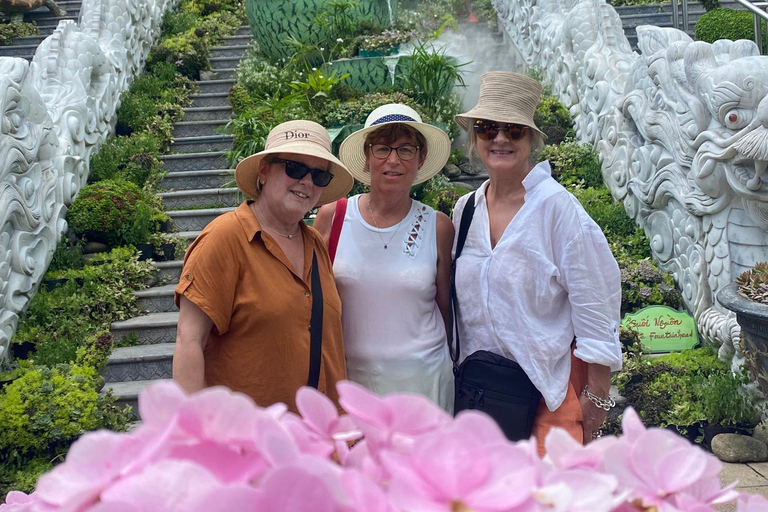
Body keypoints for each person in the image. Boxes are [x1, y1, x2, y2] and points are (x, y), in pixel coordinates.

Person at [451, 72, 622, 454]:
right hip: (484, 398)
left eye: (513, 130)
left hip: (550, 396)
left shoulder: (559, 211)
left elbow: (597, 306)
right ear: (474, 137)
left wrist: (597, 399)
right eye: (487, 128)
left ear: (531, 139)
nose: (499, 139)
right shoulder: (465, 211)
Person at [172, 120, 354, 412]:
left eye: (319, 175)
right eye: (295, 168)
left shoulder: (316, 244)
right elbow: (189, 341)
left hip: (318, 442)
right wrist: (198, 435)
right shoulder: (226, 238)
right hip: (248, 444)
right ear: (264, 170)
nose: (306, 181)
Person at [313, 104, 456, 412]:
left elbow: (446, 309)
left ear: (420, 159)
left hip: (424, 383)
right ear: (367, 157)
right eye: (382, 149)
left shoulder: (438, 226)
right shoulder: (333, 218)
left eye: (406, 149)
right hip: (351, 382)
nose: (393, 160)